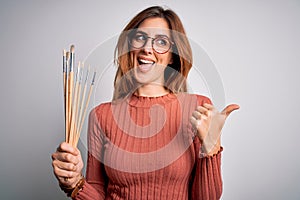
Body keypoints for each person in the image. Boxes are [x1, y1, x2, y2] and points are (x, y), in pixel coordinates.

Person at [52, 6, 239, 200]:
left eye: (161, 41)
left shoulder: (197, 109)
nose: (147, 49)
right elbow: (98, 192)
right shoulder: (101, 116)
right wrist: (75, 184)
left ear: (172, 55)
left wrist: (211, 148)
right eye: (140, 37)